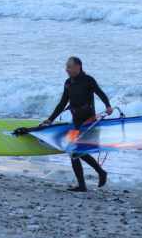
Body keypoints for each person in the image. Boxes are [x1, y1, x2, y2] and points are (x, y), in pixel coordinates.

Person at [37, 56, 113, 192]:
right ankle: (90, 179)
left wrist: (108, 106)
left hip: (89, 123)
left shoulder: (88, 80)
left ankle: (96, 176)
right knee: (74, 152)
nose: (66, 69)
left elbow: (100, 93)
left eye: (69, 67)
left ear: (78, 66)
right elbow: (62, 103)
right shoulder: (68, 83)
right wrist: (50, 119)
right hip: (75, 123)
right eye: (66, 67)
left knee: (75, 151)